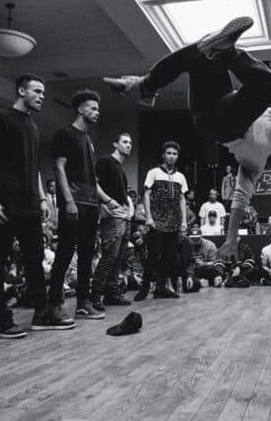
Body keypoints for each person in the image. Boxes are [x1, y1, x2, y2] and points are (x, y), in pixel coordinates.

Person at [102, 17, 271, 257]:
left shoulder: (254, 165)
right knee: (201, 55)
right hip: (212, 107)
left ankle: (227, 52)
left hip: (219, 126)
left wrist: (232, 238)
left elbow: (239, 203)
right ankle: (146, 85)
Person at [0, 73, 74, 338]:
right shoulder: (0, 117)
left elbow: (35, 168)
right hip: (5, 204)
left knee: (35, 259)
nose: (42, 96)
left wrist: (42, 198)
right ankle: (0, 319)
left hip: (30, 204)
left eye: (43, 92)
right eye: (37, 91)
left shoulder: (33, 126)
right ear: (21, 91)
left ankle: (41, 314)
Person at [47, 89, 110, 322]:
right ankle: (54, 302)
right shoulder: (65, 133)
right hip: (73, 203)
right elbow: (59, 168)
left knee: (86, 253)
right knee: (64, 252)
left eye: (98, 109)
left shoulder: (89, 140)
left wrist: (101, 201)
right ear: (81, 109)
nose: (97, 112)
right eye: (93, 108)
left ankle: (83, 304)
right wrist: (69, 201)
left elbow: (91, 176)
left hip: (90, 203)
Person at [142, 141, 189, 299]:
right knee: (153, 255)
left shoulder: (180, 176)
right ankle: (144, 288)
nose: (171, 156)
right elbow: (147, 194)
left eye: (174, 154)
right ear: (163, 155)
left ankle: (161, 288)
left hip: (174, 221)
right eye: (168, 153)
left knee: (169, 257)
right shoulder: (154, 172)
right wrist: (148, 217)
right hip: (157, 220)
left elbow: (182, 199)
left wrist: (184, 221)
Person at [92, 131, 134, 308]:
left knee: (119, 257)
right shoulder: (106, 161)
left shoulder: (120, 167)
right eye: (124, 142)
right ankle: (94, 297)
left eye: (130, 143)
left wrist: (129, 209)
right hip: (113, 215)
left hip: (124, 215)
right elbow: (93, 183)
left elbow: (124, 193)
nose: (128, 145)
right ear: (115, 144)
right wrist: (107, 201)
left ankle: (111, 293)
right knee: (110, 256)